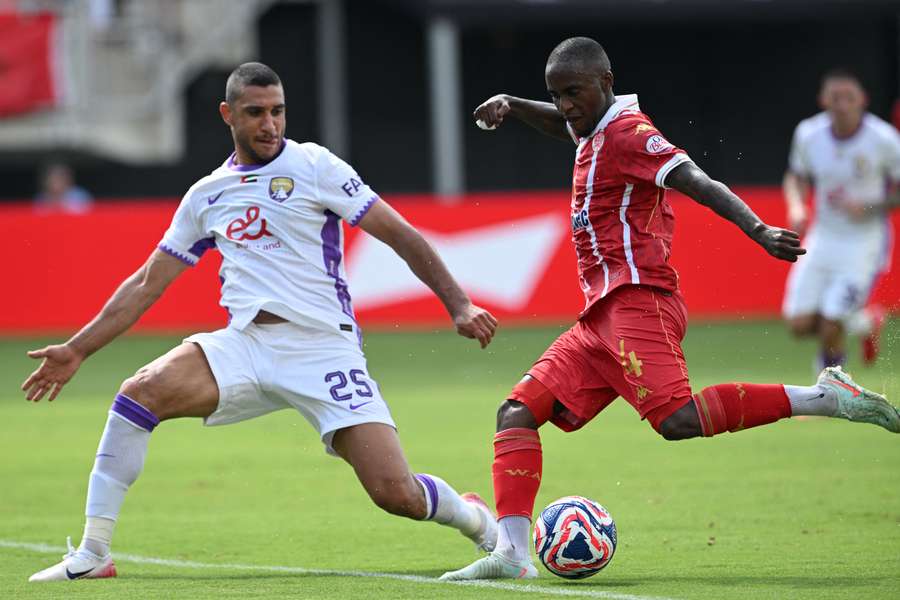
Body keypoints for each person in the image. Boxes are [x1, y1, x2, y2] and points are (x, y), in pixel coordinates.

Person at [441, 38, 900, 581]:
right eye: (556, 95)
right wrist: (515, 106)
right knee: (517, 412)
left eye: (573, 93)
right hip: (600, 316)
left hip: (639, 301)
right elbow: (558, 123)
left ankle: (824, 397)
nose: (565, 105)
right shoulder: (591, 127)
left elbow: (695, 180)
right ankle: (514, 556)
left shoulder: (629, 133)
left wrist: (757, 228)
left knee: (678, 421)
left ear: (605, 81)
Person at [23, 62, 499, 582]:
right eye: (255, 113)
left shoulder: (315, 165)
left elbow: (400, 233)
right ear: (228, 114)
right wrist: (77, 349)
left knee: (396, 494)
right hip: (246, 346)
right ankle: (93, 552)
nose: (269, 124)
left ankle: (476, 519)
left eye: (277, 111)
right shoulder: (208, 195)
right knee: (139, 393)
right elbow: (146, 283)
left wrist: (459, 304)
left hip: (323, 349)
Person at [782, 68, 900, 370]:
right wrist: (797, 206)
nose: (842, 104)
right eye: (836, 98)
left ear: (863, 100)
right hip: (823, 237)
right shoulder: (809, 134)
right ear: (824, 100)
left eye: (849, 97)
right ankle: (865, 321)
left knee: (831, 322)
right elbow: (796, 175)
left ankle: (829, 390)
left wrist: (870, 207)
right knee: (798, 323)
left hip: (863, 243)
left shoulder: (884, 139)